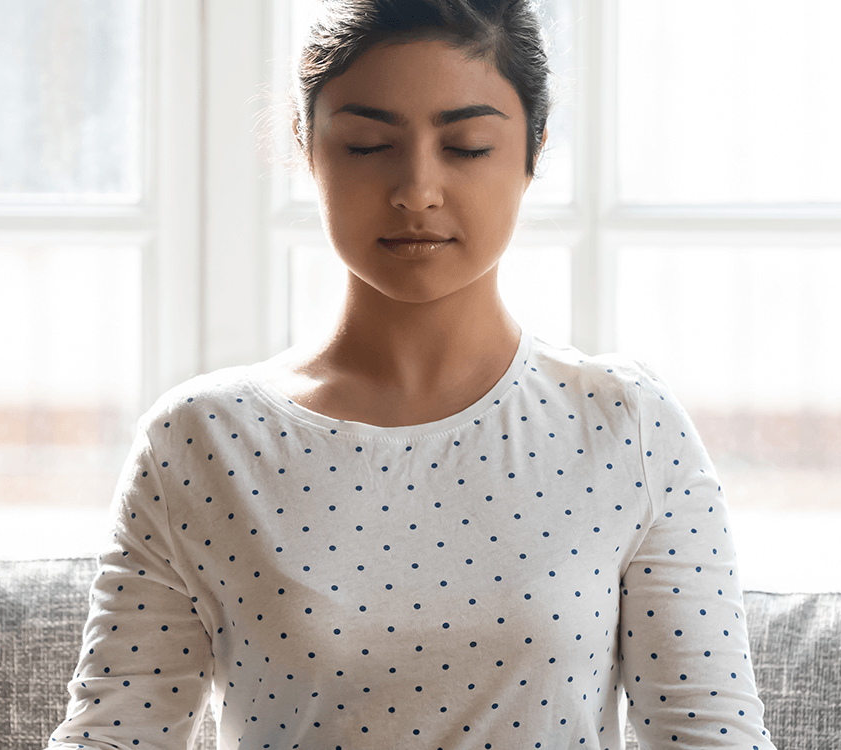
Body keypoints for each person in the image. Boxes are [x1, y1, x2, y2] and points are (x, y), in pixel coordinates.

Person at [45, 1, 776, 748]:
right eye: (367, 145)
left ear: (534, 151)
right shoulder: (200, 441)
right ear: (308, 146)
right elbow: (112, 734)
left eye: (465, 147)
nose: (417, 190)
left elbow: (710, 735)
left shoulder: (627, 425)